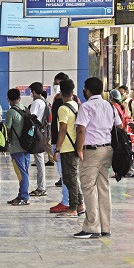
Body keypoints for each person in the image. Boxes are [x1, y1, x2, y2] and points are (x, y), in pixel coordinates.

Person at [74, 77, 122, 239]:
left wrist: (79, 150)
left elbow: (81, 129)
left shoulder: (86, 107)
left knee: (88, 188)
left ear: (87, 90)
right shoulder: (110, 106)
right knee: (103, 187)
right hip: (107, 150)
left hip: (91, 152)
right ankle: (105, 226)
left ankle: (92, 227)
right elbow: (120, 126)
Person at [52, 79, 84, 218]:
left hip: (67, 148)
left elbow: (62, 130)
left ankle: (73, 208)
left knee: (69, 178)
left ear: (60, 93)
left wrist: (57, 149)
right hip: (75, 146)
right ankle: (80, 204)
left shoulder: (63, 108)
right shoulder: (77, 105)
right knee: (72, 177)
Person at [48, 72, 74, 213]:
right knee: (67, 174)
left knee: (65, 174)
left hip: (61, 141)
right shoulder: (73, 101)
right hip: (66, 142)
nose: (55, 86)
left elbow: (62, 128)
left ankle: (67, 201)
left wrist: (57, 148)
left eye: (57, 84)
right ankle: (72, 201)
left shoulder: (62, 103)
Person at [5, 88, 30, 206]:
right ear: (19, 98)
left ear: (9, 99)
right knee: (25, 171)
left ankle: (24, 196)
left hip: (16, 147)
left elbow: (7, 129)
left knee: (22, 172)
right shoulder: (25, 109)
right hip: (27, 146)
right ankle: (21, 195)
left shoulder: (11, 112)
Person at [28, 82, 48, 197]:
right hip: (43, 132)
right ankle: (41, 187)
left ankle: (41, 187)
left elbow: (32, 118)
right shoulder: (44, 101)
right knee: (39, 160)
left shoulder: (36, 102)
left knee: (39, 160)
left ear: (34, 92)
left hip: (37, 133)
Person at [119, 85, 134, 177]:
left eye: (121, 93)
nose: (120, 95)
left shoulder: (132, 102)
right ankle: (125, 169)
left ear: (127, 93)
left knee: (131, 151)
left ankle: (132, 170)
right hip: (123, 130)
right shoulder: (121, 102)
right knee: (124, 151)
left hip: (131, 131)